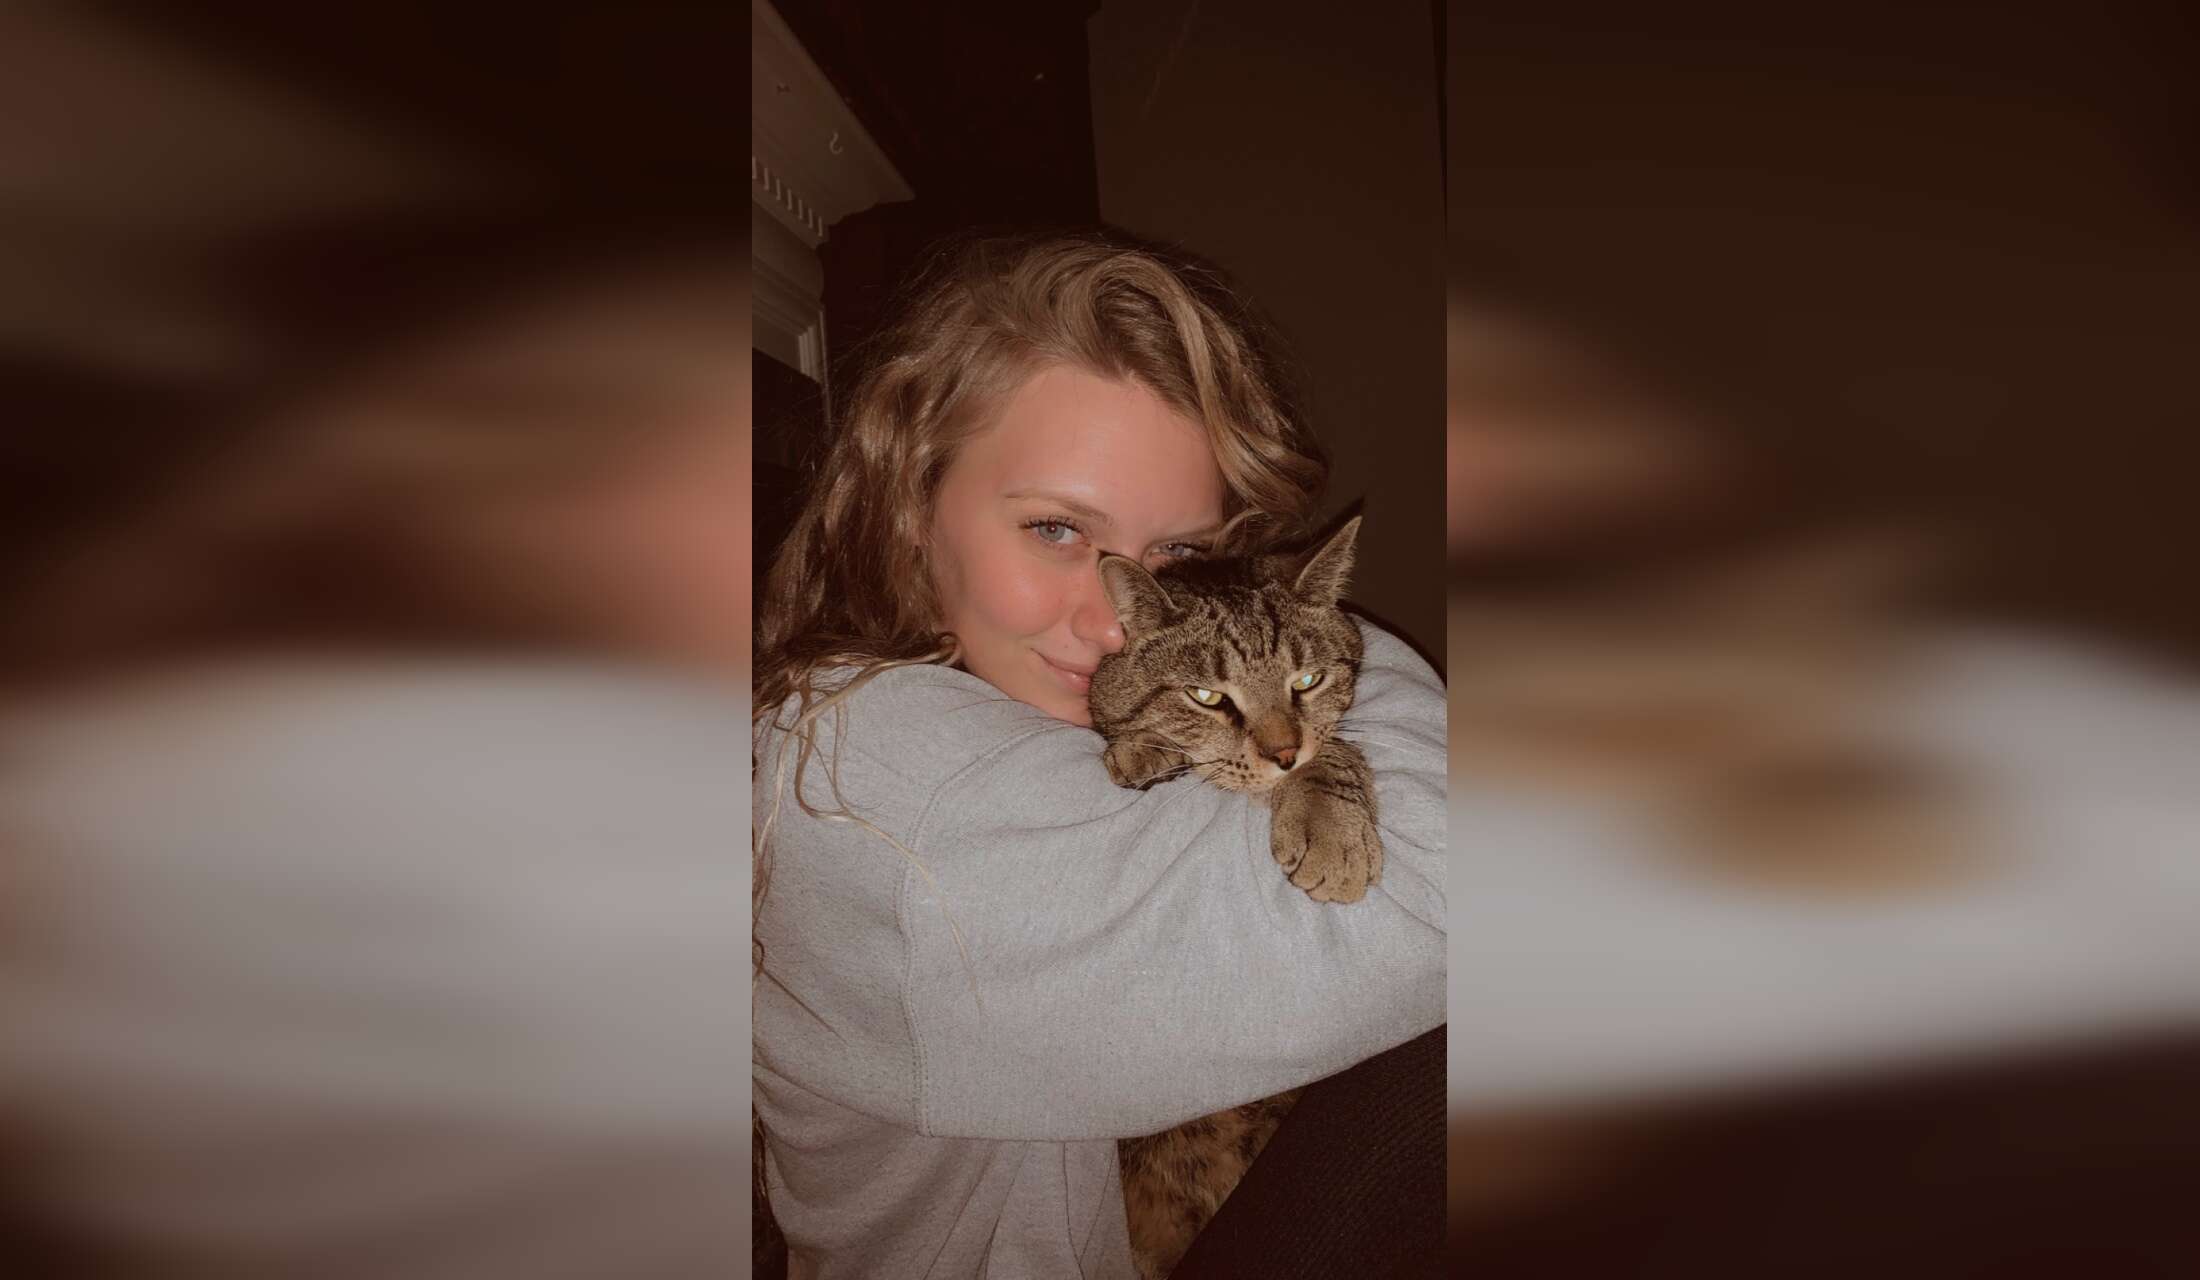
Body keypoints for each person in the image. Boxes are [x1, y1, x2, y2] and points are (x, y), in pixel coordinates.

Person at [752, 230, 1449, 1278]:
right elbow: (1449, 889)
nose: (1123, 622)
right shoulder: (885, 786)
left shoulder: (997, 685)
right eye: (1055, 529)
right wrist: (1302, 641)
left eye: (1178, 552)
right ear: (906, 510)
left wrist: (1269, 638)